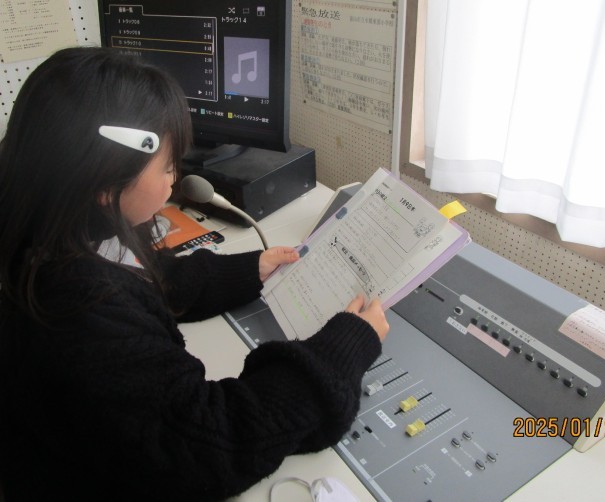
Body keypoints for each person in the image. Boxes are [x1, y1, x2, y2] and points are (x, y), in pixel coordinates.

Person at [0, 47, 389, 501]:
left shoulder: (49, 233)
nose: (173, 180)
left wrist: (250, 269)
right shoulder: (81, 310)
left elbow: (148, 278)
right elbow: (211, 444)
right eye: (167, 166)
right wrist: (341, 351)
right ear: (106, 183)